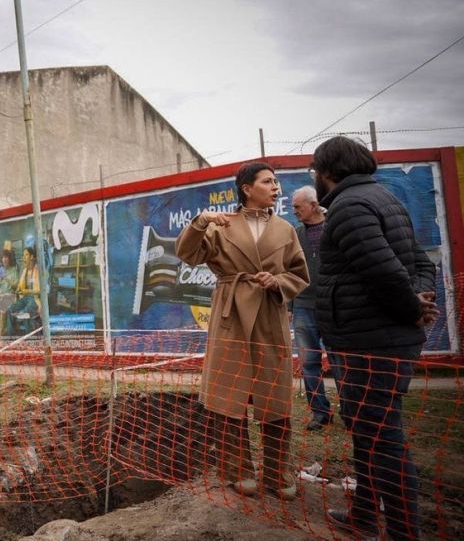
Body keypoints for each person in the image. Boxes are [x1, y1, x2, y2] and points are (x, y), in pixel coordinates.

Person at [312, 136, 437, 541]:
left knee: (382, 437)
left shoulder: (350, 207)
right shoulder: (384, 199)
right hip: (373, 337)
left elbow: (384, 271)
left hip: (370, 343)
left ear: (326, 171)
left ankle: (403, 532)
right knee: (366, 430)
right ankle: (364, 515)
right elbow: (421, 263)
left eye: (315, 171)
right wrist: (418, 299)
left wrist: (413, 307)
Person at [175, 161, 309, 500]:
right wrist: (200, 222)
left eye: (276, 182)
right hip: (230, 314)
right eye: (268, 181)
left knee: (274, 394)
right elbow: (187, 253)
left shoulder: (285, 229)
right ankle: (237, 469)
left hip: (269, 314)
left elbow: (299, 273)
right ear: (247, 188)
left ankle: (278, 472)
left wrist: (277, 281)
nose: (276, 187)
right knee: (229, 394)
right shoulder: (221, 225)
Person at [290, 185, 334, 431]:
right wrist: (289, 304)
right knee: (308, 363)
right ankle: (320, 413)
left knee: (341, 361)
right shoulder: (295, 235)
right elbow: (287, 270)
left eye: (298, 207)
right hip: (303, 306)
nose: (294, 211)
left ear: (314, 205)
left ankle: (352, 412)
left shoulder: (335, 227)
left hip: (334, 306)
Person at [7, 246, 40, 335]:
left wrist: (27, 291)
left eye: (26, 255)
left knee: (25, 312)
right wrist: (17, 291)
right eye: (23, 255)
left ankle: (29, 337)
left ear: (32, 257)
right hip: (25, 298)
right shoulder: (25, 270)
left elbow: (39, 291)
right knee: (10, 309)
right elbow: (20, 285)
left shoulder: (37, 270)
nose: (24, 257)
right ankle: (11, 336)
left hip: (35, 299)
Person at [0, 249, 19, 335]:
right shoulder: (1, 270)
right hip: (1, 292)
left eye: (6, 257)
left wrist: (6, 278)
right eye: (3, 257)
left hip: (11, 294)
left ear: (9, 259)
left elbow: (15, 286)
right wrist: (0, 279)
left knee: (2, 309)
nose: (4, 259)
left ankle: (1, 335)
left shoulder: (14, 269)